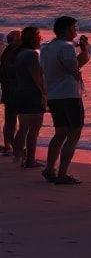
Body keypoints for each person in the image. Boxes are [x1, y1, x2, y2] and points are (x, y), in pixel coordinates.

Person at [40, 16, 90, 185]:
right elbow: (74, 68)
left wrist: (79, 46)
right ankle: (62, 173)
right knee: (73, 134)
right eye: (74, 29)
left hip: (54, 94)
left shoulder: (46, 47)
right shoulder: (67, 47)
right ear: (67, 30)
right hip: (69, 95)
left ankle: (49, 168)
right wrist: (85, 51)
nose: (76, 32)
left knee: (60, 133)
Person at [12, 27, 46, 168]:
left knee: (23, 128)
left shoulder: (20, 53)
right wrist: (45, 94)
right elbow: (37, 78)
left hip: (21, 92)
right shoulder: (32, 55)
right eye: (39, 36)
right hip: (32, 94)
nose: (41, 39)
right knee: (34, 129)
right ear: (33, 38)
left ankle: (18, 156)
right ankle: (30, 160)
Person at [1, 30, 21, 156]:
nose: (22, 39)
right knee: (13, 119)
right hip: (14, 89)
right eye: (20, 37)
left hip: (8, 89)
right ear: (14, 40)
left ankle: (9, 145)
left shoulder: (6, 52)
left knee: (10, 118)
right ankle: (14, 146)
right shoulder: (15, 52)